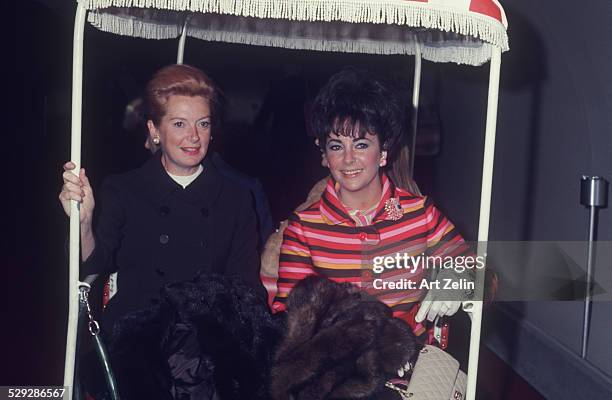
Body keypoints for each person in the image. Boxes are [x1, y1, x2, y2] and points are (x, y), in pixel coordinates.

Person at [268, 68, 473, 341]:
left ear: (384, 152)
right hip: (336, 372)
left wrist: (460, 281)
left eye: (362, 145)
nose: (348, 159)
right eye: (336, 146)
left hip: (412, 372)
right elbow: (287, 315)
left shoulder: (420, 214)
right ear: (324, 156)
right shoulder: (304, 228)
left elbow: (481, 272)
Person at [59, 64, 265, 335]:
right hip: (136, 336)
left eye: (202, 124)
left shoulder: (236, 198)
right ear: (154, 130)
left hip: (206, 341)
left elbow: (247, 289)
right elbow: (92, 267)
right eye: (179, 124)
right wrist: (83, 223)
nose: (193, 137)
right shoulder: (124, 189)